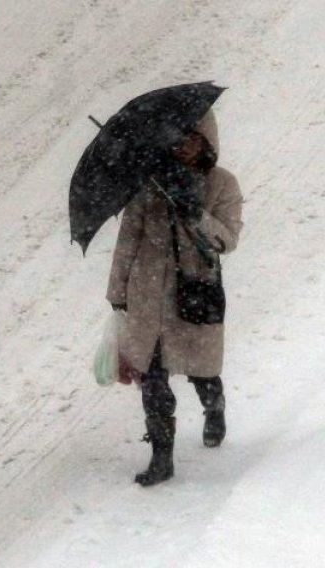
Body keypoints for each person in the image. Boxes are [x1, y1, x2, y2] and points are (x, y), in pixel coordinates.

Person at [106, 110, 244, 486]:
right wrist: (117, 290)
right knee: (152, 378)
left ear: (207, 143)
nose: (182, 146)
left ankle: (214, 410)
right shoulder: (150, 183)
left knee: (202, 369)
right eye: (177, 139)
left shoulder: (222, 184)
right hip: (147, 294)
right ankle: (161, 457)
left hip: (194, 292)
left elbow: (227, 240)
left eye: (192, 139)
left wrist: (194, 213)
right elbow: (128, 239)